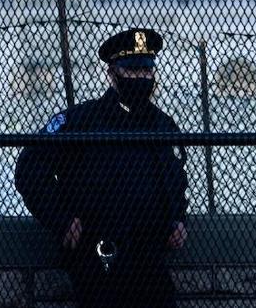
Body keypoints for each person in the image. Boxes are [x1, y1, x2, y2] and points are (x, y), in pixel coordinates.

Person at [15, 28, 188, 308]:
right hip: (99, 253)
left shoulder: (161, 124)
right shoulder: (81, 121)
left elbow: (175, 179)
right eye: (132, 71)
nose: (141, 78)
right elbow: (30, 168)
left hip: (149, 254)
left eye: (147, 70)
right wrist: (61, 219)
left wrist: (179, 219)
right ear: (113, 73)